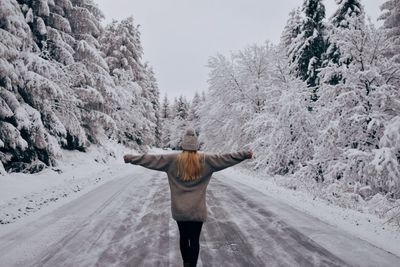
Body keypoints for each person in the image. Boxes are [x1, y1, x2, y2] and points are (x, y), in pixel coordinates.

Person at [123, 128, 252, 267]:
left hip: (180, 211)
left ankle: (186, 264)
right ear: (196, 146)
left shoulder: (172, 160)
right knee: (195, 240)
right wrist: (245, 154)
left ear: (183, 145)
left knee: (184, 237)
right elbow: (227, 158)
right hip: (198, 210)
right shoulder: (206, 160)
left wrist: (131, 158)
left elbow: (150, 159)